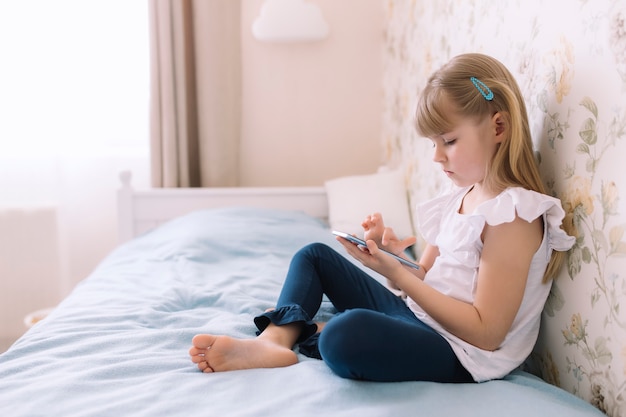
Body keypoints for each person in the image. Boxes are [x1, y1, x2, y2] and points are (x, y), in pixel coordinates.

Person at [189, 53, 575, 383]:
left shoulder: (514, 216)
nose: (437, 157)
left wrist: (398, 274)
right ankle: (273, 342)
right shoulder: (460, 196)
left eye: (449, 141)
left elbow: (487, 333)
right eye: (433, 144)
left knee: (344, 334)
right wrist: (390, 257)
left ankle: (311, 334)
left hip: (460, 352)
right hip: (418, 318)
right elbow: (426, 280)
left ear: (499, 127)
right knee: (313, 256)